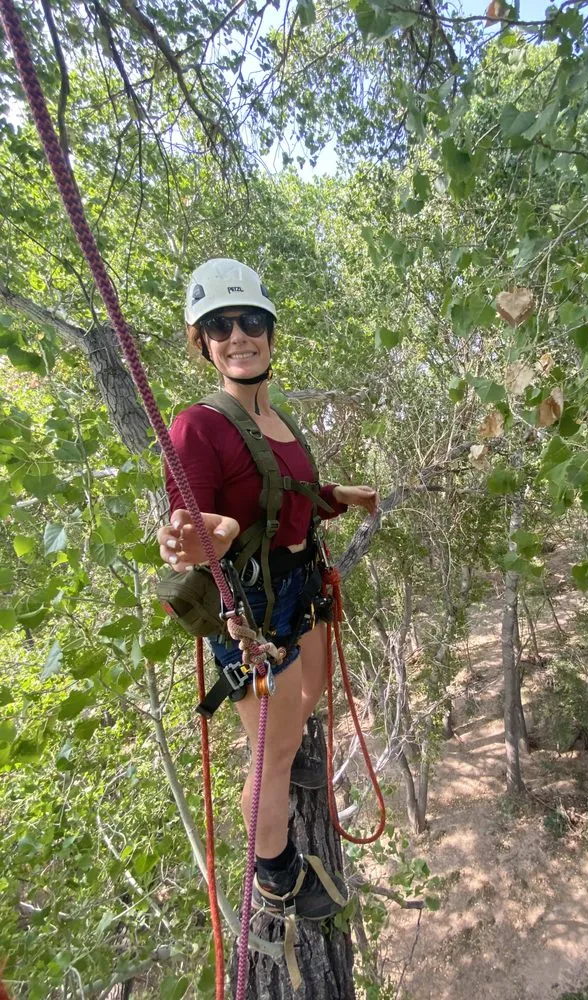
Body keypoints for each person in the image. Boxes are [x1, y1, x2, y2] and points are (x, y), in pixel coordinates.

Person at [156, 258, 378, 919]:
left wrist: (338, 496)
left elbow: (290, 498)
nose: (237, 335)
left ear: (271, 333)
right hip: (249, 624)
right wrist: (197, 539)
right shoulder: (198, 426)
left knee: (311, 693)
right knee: (270, 753)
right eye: (218, 326)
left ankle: (286, 747)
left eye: (249, 320)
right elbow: (192, 521)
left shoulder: (279, 421)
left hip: (298, 590)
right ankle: (274, 875)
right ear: (204, 345)